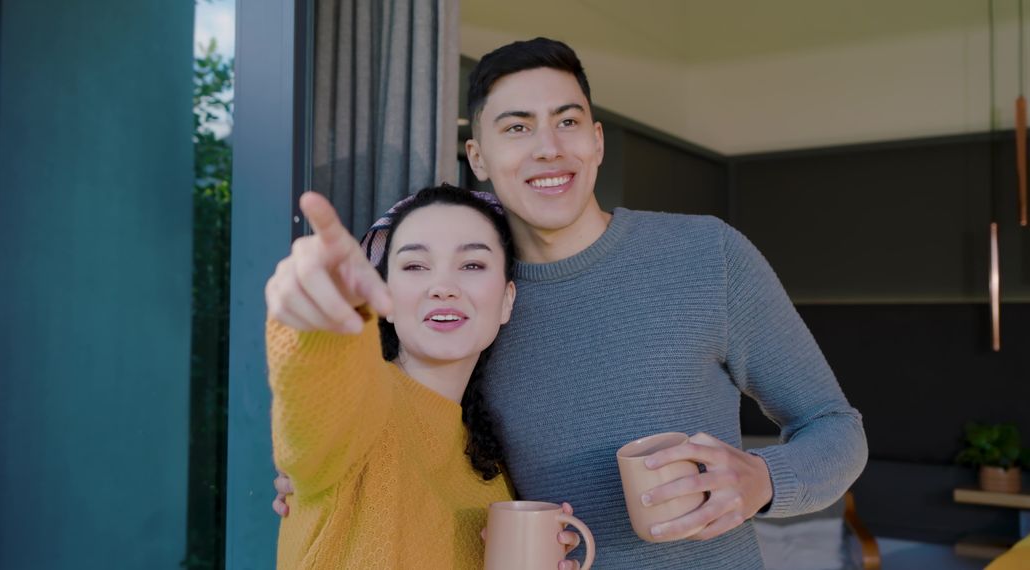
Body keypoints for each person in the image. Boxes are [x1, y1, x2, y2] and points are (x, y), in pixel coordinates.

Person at [270, 38, 867, 569]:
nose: (548, 148)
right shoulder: (474, 309)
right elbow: (362, 412)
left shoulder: (708, 254)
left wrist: (764, 479)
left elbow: (835, 428)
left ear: (596, 140)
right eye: (516, 127)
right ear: (478, 158)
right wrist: (327, 473)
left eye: (567, 121)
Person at [265, 185, 580, 569]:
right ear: (386, 297)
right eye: (415, 266)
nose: (443, 288)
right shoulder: (364, 406)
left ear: (507, 300)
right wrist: (314, 317)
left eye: (472, 265)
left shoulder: (491, 476)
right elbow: (318, 393)